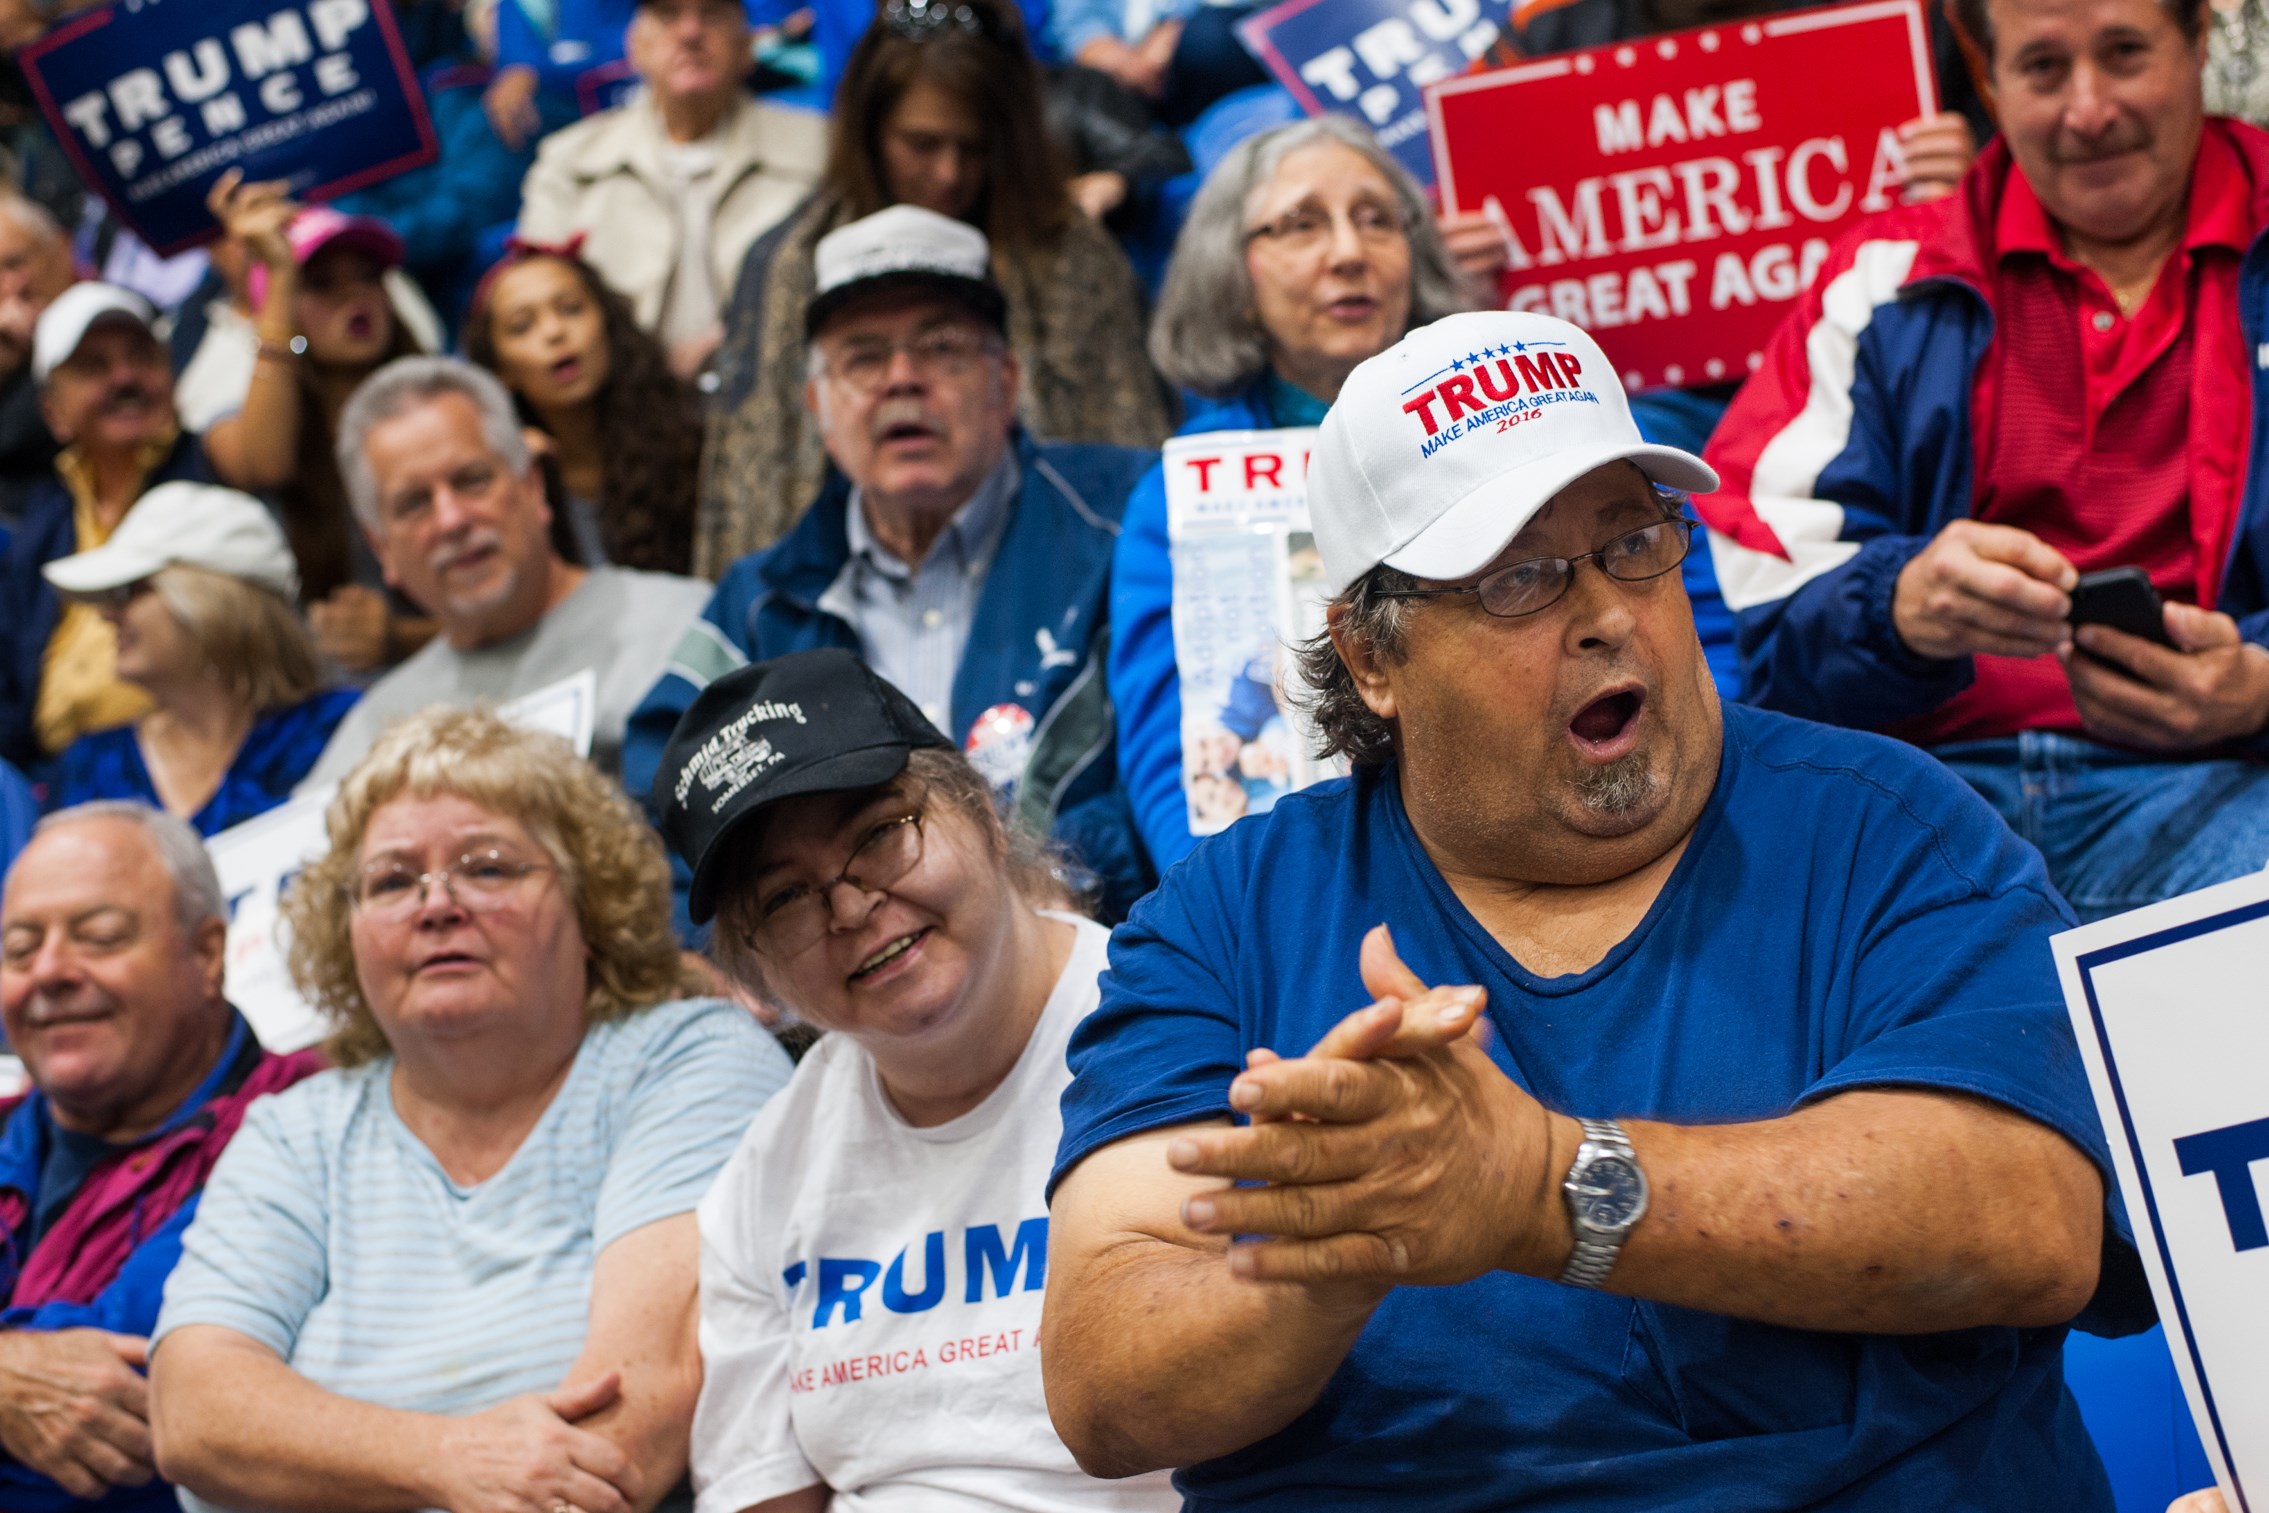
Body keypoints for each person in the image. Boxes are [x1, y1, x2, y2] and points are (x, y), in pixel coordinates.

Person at [1040, 312, 2150, 1509]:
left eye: (1632, 541)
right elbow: (1106, 1386)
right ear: (1370, 655)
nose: (1606, 611)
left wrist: (1543, 1188)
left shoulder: (1891, 826)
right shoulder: (1222, 922)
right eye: (1519, 576)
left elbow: (2028, 1218)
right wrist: (1341, 1248)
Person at [1695, 0, 2269, 922]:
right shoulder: (1882, 278)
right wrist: (1897, 603)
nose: (2087, 110)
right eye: (2043, 68)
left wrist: (2255, 687)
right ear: (1987, 77)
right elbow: (1762, 616)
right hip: (1914, 793)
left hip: (2222, 781)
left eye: (2123, 53)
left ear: (2198, 38)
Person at [147, 707, 794, 1513]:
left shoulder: (684, 1057)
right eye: (390, 880)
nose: (437, 904)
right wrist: (448, 1458)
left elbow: (631, 1420)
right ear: (342, 933)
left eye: (487, 868)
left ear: (588, 905)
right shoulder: (294, 1127)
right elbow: (192, 1414)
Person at [646, 650, 1179, 1512]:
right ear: (759, 974)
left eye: (878, 834)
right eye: (783, 898)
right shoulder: (768, 1170)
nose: (850, 907)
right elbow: (762, 1491)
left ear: (983, 812)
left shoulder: (1181, 1026)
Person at [626, 206, 1155, 918]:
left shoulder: (1131, 519)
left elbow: (1209, 753)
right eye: (864, 357)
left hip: (1109, 955)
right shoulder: (761, 604)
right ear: (817, 403)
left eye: (940, 348)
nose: (902, 380)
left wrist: (1067, 866)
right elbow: (658, 798)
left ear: (1005, 379)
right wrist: (712, 961)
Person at [1110, 116, 1474, 875]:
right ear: (1233, 275)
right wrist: (1238, 928)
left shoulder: (1508, 426)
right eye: (1301, 224)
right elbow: (1175, 758)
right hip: (1289, 891)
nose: (1348, 252)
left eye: (1376, 220)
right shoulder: (1173, 498)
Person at [698, 0, 1169, 573]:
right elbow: (757, 494)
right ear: (870, 134)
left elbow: (1126, 459)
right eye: (921, 145)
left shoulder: (1071, 258)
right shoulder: (792, 264)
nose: (949, 174)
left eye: (973, 148)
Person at [0, 802, 319, 1513]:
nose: (50, 970)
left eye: (100, 936)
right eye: (20, 949)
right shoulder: (9, 1125)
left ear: (207, 953)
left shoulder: (300, 1129)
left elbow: (119, 1414)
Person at [303, 357, 710, 788]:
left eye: (472, 480)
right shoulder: (374, 738)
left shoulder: (686, 629)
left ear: (533, 487)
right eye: (414, 504)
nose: (451, 520)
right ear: (381, 548)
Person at [517, 0, 829, 379]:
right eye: (667, 15)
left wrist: (734, 345)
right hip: (623, 408)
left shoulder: (820, 149)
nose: (690, 33)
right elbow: (537, 300)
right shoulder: (569, 162)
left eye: (712, 14)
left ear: (747, 46)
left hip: (783, 386)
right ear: (635, 46)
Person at [200, 184, 434, 676]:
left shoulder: (446, 398)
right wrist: (281, 275)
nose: (355, 295)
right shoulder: (261, 420)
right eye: (322, 284)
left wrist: (401, 638)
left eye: (369, 277)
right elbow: (265, 464)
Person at [42, 484, 357, 836]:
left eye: (131, 591)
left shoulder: (337, 728)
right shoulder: (92, 764)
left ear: (210, 603)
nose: (108, 614)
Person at [0, 285, 210, 774]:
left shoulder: (212, 468)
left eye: (141, 356)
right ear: (52, 411)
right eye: (94, 367)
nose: (125, 377)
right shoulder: (41, 525)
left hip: (203, 747)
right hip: (65, 777)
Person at [466, 239, 707, 573]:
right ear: (501, 370)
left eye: (571, 308)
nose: (554, 331)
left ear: (607, 325)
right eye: (522, 326)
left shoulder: (694, 436)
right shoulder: (506, 478)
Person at [0, 195, 72, 529]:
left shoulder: (116, 321)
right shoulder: (9, 344)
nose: (8, 286)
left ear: (60, 249)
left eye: (15, 263)